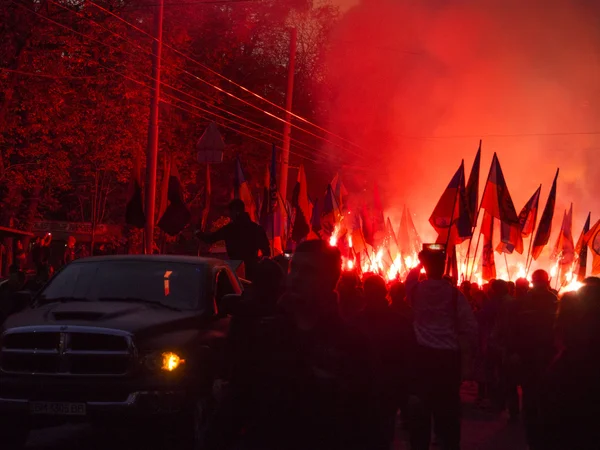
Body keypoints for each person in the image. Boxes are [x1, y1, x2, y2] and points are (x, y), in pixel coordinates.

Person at [239, 240, 373, 450]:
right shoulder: (264, 335)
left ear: (329, 281)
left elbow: (364, 425)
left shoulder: (351, 346)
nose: (296, 278)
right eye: (294, 269)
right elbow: (239, 405)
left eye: (309, 271)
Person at [405, 247, 478, 450]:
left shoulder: (416, 290)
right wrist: (467, 354)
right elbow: (471, 327)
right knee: (448, 409)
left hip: (422, 357)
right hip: (448, 359)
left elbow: (409, 280)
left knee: (420, 409)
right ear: (444, 266)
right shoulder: (455, 295)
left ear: (426, 267)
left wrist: (420, 262)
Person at [513, 269, 557, 450]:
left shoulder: (521, 302)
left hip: (527, 357)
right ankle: (546, 434)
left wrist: (513, 352)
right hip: (549, 357)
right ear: (546, 282)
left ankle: (533, 438)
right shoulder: (556, 301)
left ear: (533, 281)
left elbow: (514, 331)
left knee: (530, 397)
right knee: (547, 397)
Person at [195, 199, 270, 281]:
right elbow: (266, 252)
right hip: (252, 273)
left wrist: (197, 232)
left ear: (235, 211)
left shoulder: (230, 229)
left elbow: (209, 239)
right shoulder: (256, 228)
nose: (229, 215)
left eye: (230, 212)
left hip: (235, 273)